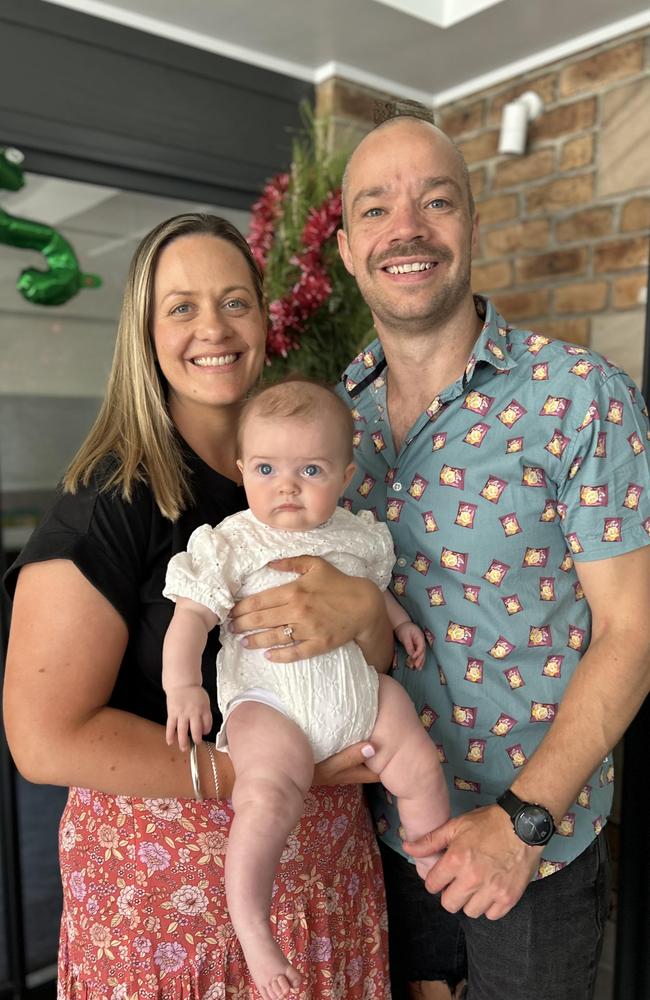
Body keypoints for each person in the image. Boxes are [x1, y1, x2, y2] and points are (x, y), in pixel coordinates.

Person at [2, 214, 396, 1000]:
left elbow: (362, 652)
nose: (213, 327)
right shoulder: (110, 503)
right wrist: (274, 778)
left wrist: (364, 609)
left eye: (235, 301)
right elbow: (42, 740)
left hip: (328, 891)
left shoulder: (300, 475)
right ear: (143, 334)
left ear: (263, 317)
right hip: (176, 913)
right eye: (181, 307)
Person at [330, 110, 650, 999]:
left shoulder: (580, 395)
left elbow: (635, 631)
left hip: (533, 849)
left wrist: (522, 824)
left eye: (436, 201)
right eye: (375, 210)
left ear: (471, 224)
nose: (407, 229)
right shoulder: (329, 420)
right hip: (380, 834)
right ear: (350, 248)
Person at [162, 377, 449, 999]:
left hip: (357, 700)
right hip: (270, 705)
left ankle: (429, 857)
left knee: (419, 758)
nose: (286, 486)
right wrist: (182, 684)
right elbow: (190, 618)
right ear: (242, 472)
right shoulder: (232, 541)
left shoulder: (358, 535)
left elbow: (376, 590)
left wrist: (398, 623)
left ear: (345, 476)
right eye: (266, 468)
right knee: (265, 798)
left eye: (310, 469)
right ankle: (252, 924)